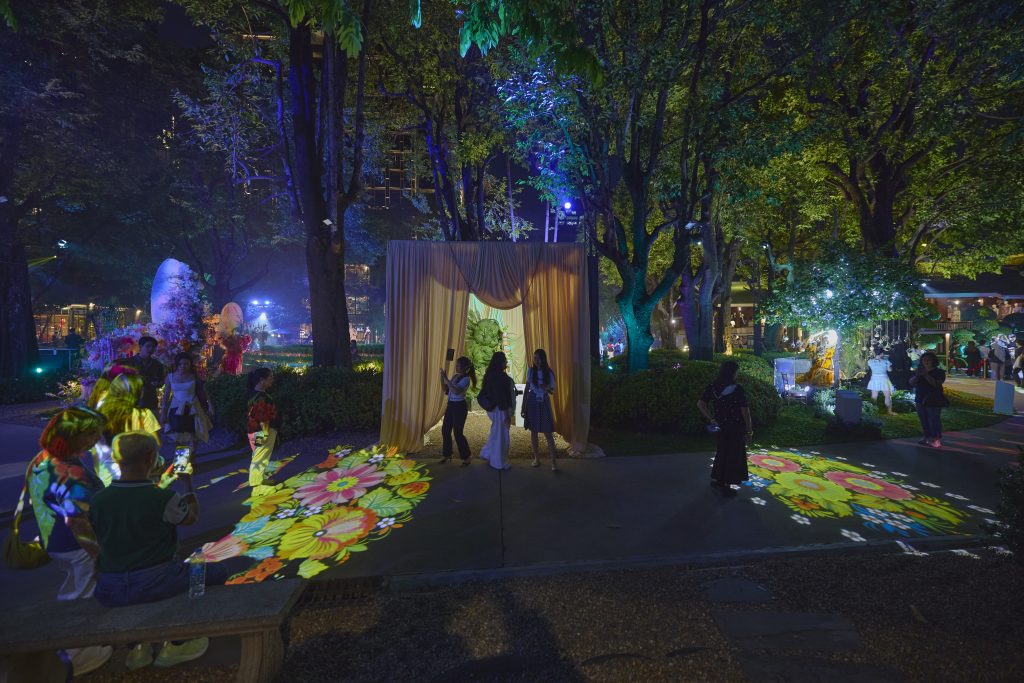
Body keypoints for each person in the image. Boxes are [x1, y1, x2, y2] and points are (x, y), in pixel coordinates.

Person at [90, 431, 226, 670]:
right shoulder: (163, 498)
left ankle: (138, 648)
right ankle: (180, 641)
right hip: (158, 579)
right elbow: (191, 517)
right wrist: (187, 483)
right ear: (150, 458)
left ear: (117, 459)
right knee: (215, 572)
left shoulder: (98, 500)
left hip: (110, 586)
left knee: (139, 589)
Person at [26, 407, 113, 676]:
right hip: (77, 546)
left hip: (54, 539)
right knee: (83, 595)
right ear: (74, 436)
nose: (97, 439)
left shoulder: (42, 460)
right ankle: (78, 655)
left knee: (72, 590)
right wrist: (97, 553)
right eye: (92, 434)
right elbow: (77, 520)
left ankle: (71, 646)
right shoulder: (72, 472)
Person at [93, 367, 161, 485]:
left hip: (106, 477)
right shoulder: (143, 415)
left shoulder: (98, 415)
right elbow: (155, 445)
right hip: (137, 477)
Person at [697, 361, 752, 497]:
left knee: (721, 451)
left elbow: (700, 404)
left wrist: (711, 419)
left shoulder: (713, 387)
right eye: (736, 372)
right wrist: (749, 429)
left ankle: (718, 480)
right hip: (735, 427)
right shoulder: (738, 389)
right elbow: (745, 411)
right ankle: (727, 485)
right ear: (732, 373)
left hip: (719, 426)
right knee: (733, 454)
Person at [161, 352, 213, 454]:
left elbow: (204, 391)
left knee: (193, 434)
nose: (183, 366)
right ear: (176, 364)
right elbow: (166, 395)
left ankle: (191, 457)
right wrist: (163, 411)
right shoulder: (170, 377)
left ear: (190, 364)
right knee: (177, 434)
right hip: (176, 409)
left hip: (193, 407)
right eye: (180, 364)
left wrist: (210, 405)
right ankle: (180, 457)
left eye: (186, 364)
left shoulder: (194, 376)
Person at [478, 352, 516, 471]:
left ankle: (488, 454)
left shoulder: (490, 375)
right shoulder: (501, 377)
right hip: (500, 410)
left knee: (496, 433)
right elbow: (502, 397)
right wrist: (506, 415)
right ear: (500, 362)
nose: (506, 362)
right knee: (501, 436)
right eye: (504, 360)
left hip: (494, 409)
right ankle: (499, 462)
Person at [524, 348, 559, 472]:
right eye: (535, 358)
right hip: (532, 400)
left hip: (544, 400)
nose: (537, 360)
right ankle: (536, 458)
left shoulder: (549, 372)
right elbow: (527, 388)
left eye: (539, 358)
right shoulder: (530, 371)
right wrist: (523, 406)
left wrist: (546, 387)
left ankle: (553, 462)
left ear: (543, 359)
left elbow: (552, 391)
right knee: (533, 431)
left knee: (548, 432)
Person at [247, 368, 280, 494]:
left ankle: (259, 479)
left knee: (257, 454)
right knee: (260, 456)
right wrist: (265, 433)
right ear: (261, 380)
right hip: (262, 432)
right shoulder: (263, 397)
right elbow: (263, 418)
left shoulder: (252, 393)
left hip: (253, 430)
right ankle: (257, 486)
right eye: (270, 377)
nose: (272, 379)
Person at [438, 357, 476, 466]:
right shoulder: (455, 376)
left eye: (458, 365)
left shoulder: (466, 379)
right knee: (445, 430)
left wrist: (446, 379)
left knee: (458, 433)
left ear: (464, 367)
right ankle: (447, 454)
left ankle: (467, 457)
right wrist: (442, 378)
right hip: (451, 406)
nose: (456, 366)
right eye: (456, 364)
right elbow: (446, 389)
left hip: (459, 407)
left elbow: (456, 391)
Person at [910, 351, 947, 448]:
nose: (926, 361)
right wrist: (918, 375)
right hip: (920, 398)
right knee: (923, 419)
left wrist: (926, 375)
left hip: (933, 399)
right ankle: (927, 437)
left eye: (928, 360)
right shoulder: (919, 371)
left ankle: (936, 439)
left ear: (933, 361)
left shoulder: (939, 372)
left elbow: (937, 384)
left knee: (933, 419)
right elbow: (911, 382)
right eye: (924, 360)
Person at [122, 336, 166, 414]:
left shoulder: (157, 365)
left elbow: (161, 381)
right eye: (148, 346)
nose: (151, 349)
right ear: (141, 346)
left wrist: (157, 383)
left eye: (153, 347)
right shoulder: (128, 363)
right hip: (132, 402)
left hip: (150, 402)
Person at [866, 348, 894, 413]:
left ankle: (872, 411)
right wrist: (888, 364)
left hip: (874, 378)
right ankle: (889, 411)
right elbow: (890, 370)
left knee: (874, 396)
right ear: (881, 354)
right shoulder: (886, 361)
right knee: (887, 395)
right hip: (884, 378)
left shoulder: (870, 361)